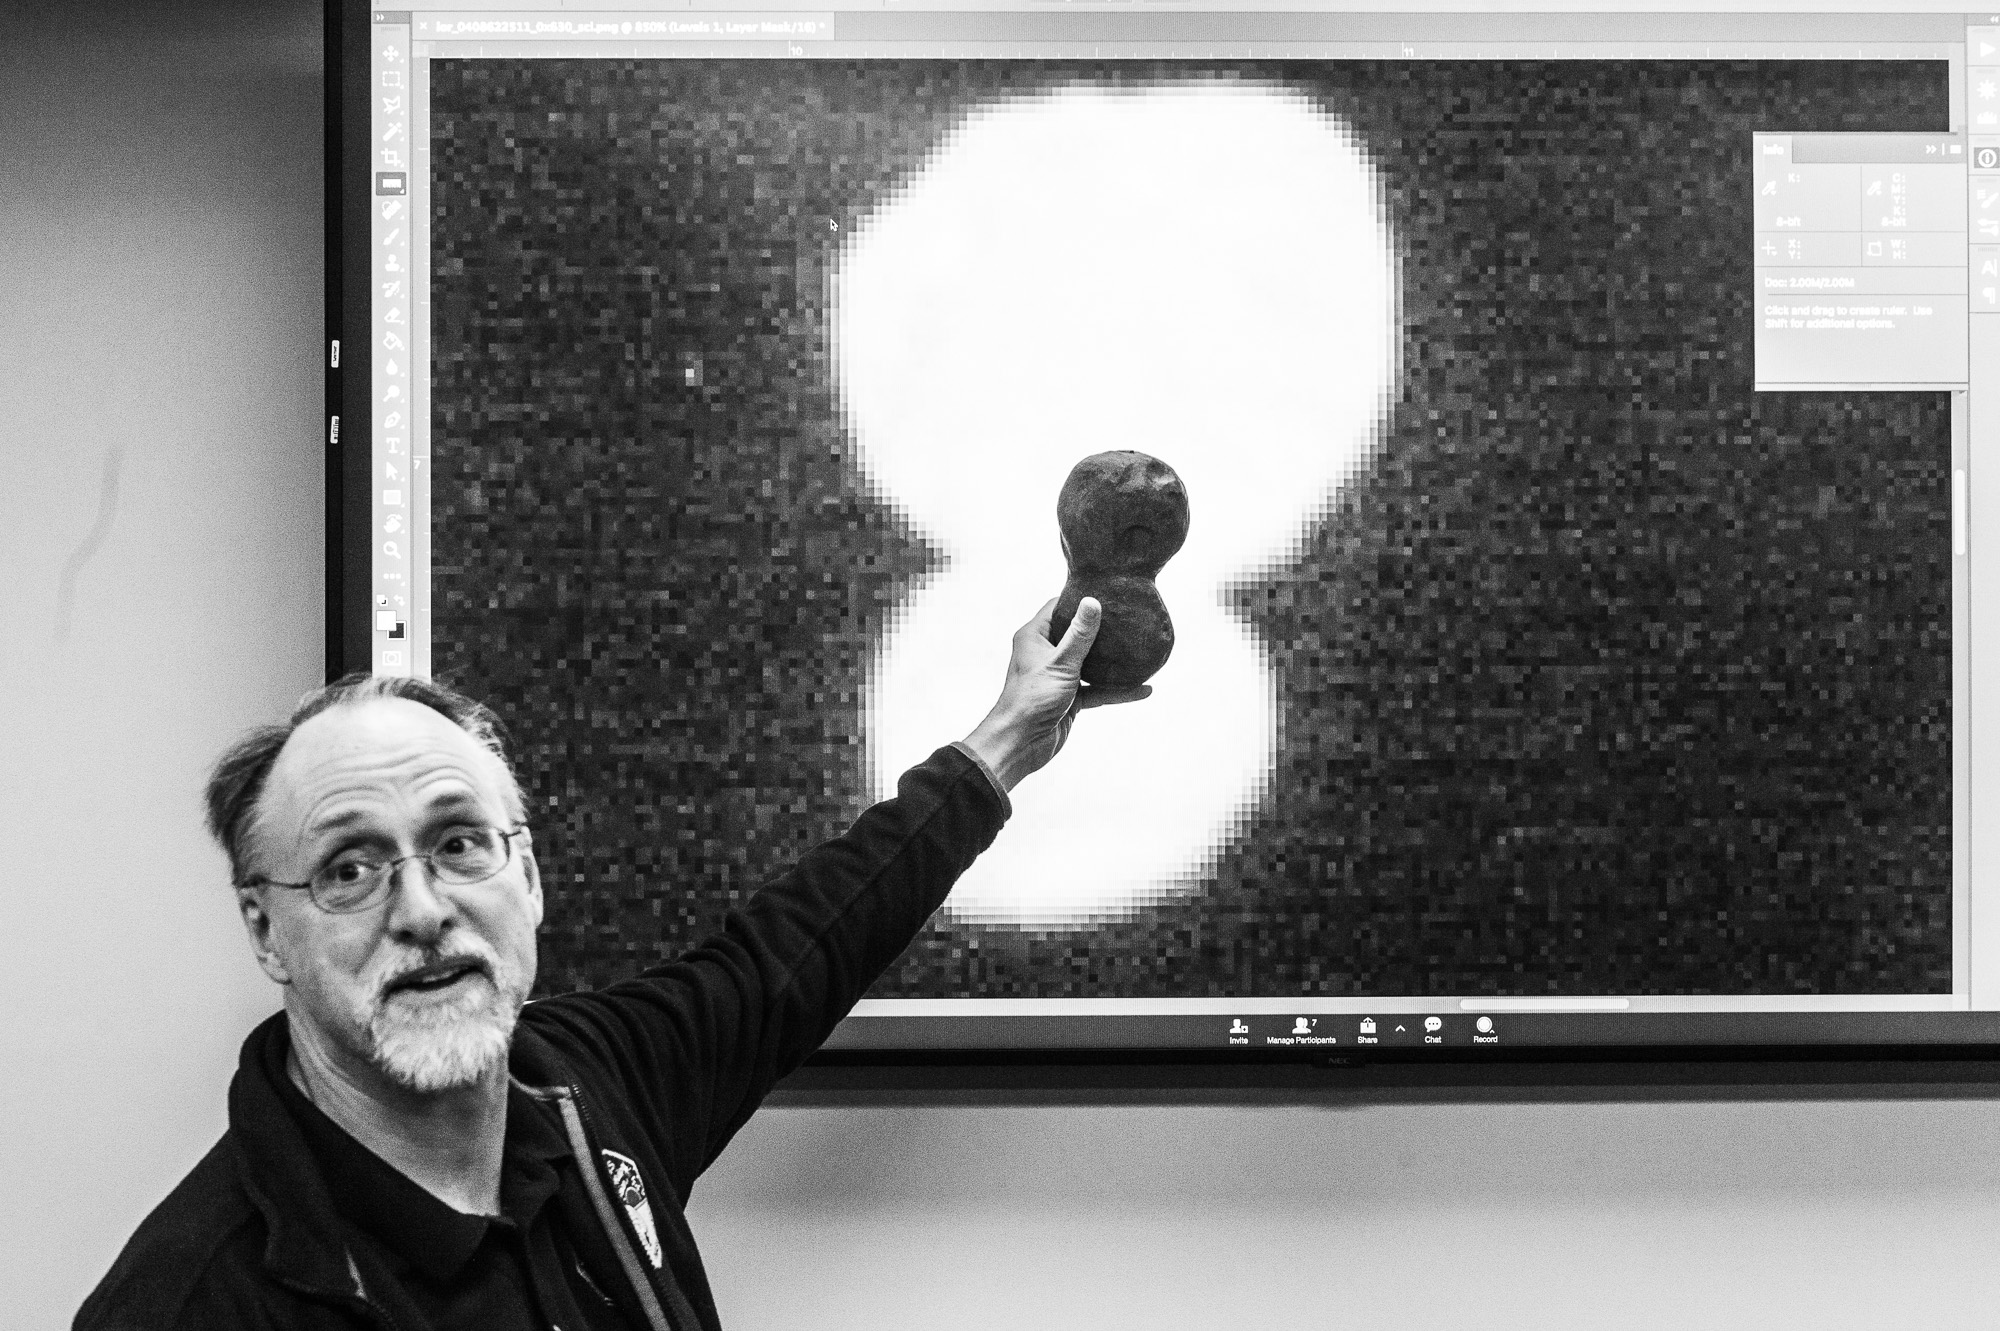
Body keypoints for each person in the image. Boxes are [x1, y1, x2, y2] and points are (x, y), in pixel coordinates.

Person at [77, 597, 1143, 1331]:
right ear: (266, 930)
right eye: (349, 868)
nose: (424, 911)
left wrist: (1004, 742)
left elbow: (805, 940)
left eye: (460, 843)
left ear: (529, 876)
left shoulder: (585, 1081)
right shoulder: (190, 1302)